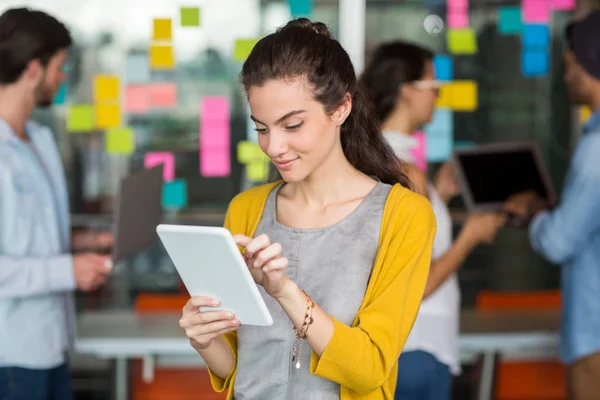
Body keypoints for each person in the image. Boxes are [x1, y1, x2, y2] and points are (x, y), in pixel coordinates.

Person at [179, 19, 437, 399]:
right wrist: (204, 340)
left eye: (293, 125)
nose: (274, 146)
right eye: (262, 128)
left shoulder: (404, 215)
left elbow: (369, 369)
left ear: (341, 108)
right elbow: (240, 365)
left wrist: (285, 291)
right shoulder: (247, 209)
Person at [360, 41, 505, 400]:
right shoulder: (403, 168)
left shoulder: (384, 156)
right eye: (431, 84)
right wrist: (470, 237)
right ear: (406, 90)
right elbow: (418, 284)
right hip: (417, 348)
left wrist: (440, 194)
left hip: (406, 347)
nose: (438, 94)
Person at [0, 8, 113, 399]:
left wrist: (85, 242)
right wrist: (69, 270)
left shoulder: (40, 140)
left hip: (56, 342)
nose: (63, 77)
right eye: (60, 66)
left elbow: (31, 235)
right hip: (12, 354)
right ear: (34, 68)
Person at [504, 11, 600, 400]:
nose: (565, 77)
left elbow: (559, 241)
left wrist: (534, 213)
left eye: (570, 65)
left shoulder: (596, 150)